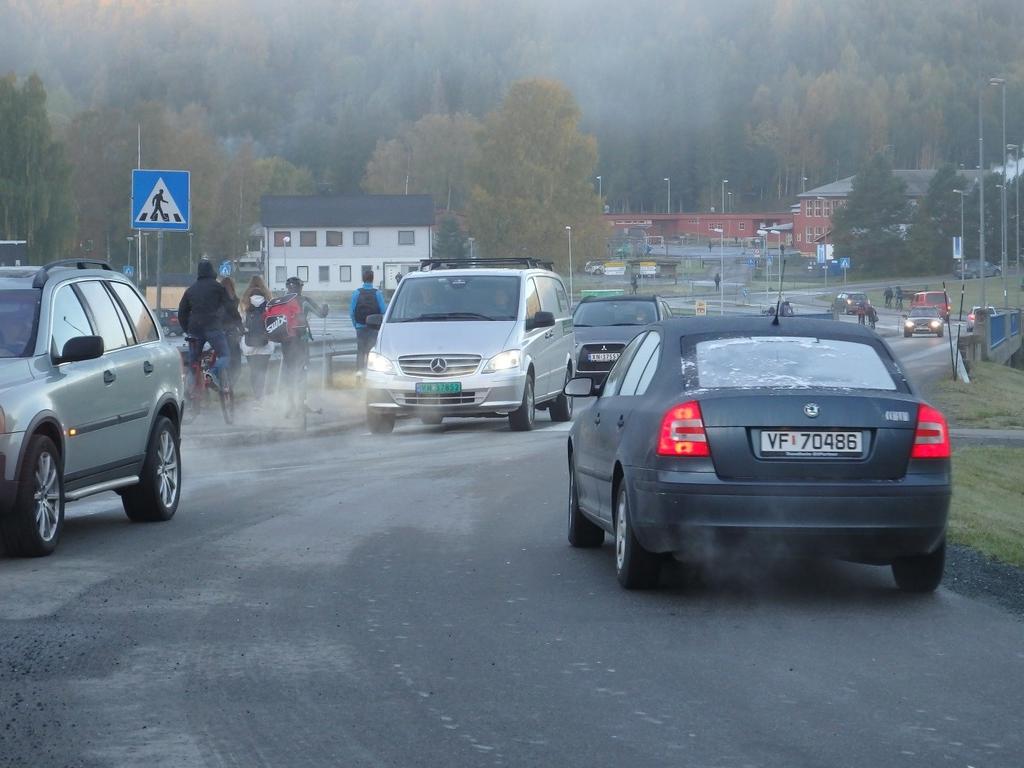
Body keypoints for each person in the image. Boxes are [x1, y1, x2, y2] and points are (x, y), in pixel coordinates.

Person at [178, 260, 235, 392]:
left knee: (194, 362)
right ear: (212, 271)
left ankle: (190, 393)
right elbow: (230, 307)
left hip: (194, 328)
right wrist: (237, 324)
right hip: (213, 327)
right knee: (225, 355)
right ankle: (212, 372)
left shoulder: (190, 290)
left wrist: (187, 330)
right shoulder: (218, 288)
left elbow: (182, 313)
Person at [280, 275, 328, 417]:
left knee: (289, 370)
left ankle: (290, 404)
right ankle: (301, 402)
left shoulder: (281, 301)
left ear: (287, 288)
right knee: (302, 369)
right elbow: (321, 314)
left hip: (285, 341)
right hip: (301, 340)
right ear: (300, 287)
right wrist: (326, 307)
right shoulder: (305, 300)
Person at [239, 276, 274, 405]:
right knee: (263, 372)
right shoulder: (269, 302)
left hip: (249, 344)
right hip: (266, 343)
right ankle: (261, 397)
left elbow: (241, 322)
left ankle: (256, 396)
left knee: (253, 371)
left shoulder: (244, 302)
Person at [350, 269, 387, 372]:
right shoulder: (377, 293)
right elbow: (383, 310)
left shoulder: (357, 293)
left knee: (360, 351)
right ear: (372, 279)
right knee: (372, 352)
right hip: (374, 328)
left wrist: (356, 324)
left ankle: (359, 373)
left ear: (363, 279)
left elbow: (352, 312)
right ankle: (371, 373)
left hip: (360, 328)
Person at [219, 276, 244, 389]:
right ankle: (230, 386)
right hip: (231, 333)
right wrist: (242, 329)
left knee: (223, 359)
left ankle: (223, 385)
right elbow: (236, 316)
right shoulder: (233, 300)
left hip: (218, 333)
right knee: (236, 363)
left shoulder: (216, 299)